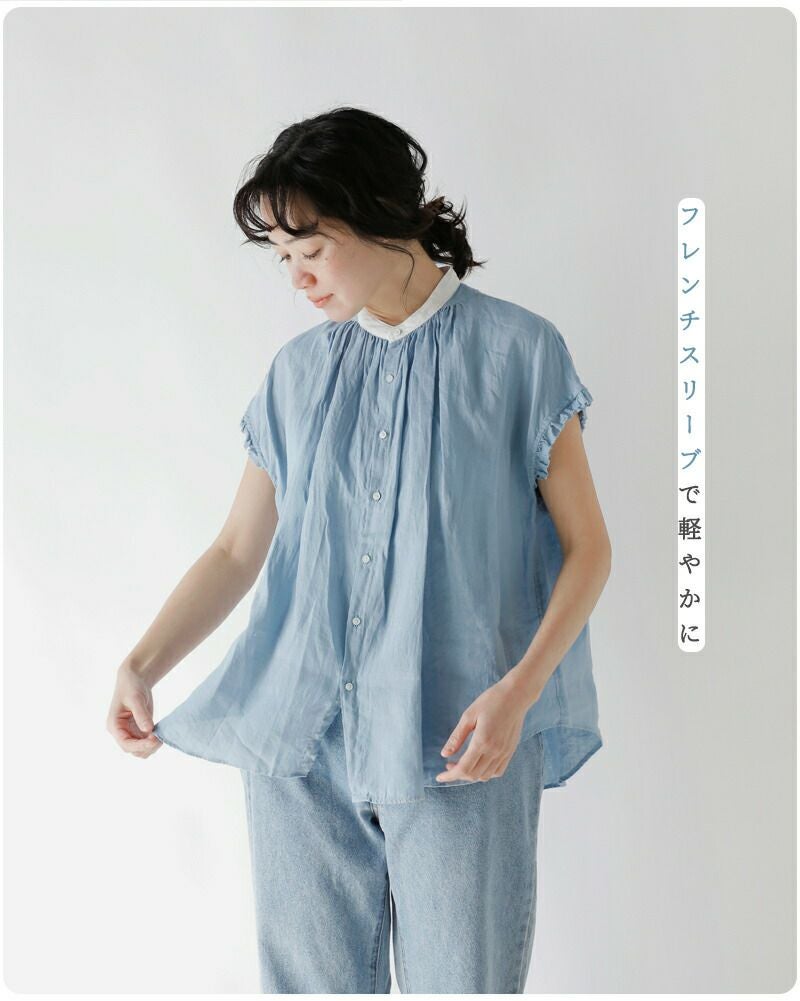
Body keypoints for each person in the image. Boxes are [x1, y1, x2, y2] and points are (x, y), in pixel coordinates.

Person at [106, 106, 612, 994]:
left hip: (459, 741)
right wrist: (142, 663)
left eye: (312, 249)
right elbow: (235, 551)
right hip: (302, 748)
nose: (297, 278)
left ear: (384, 215)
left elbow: (588, 549)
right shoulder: (297, 375)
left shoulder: (518, 353)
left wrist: (520, 692)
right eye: (282, 258)